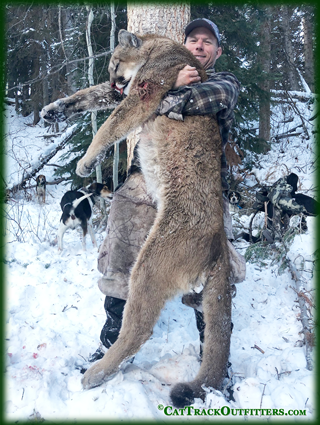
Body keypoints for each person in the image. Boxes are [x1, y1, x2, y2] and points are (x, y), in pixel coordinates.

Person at [90, 18, 244, 361]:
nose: (199, 45)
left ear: (217, 52)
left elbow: (198, 100)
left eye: (207, 42)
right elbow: (119, 95)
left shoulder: (223, 82)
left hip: (197, 189)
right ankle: (111, 344)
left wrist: (159, 89)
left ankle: (214, 358)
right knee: (121, 256)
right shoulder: (153, 74)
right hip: (144, 180)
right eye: (193, 40)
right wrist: (163, 81)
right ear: (183, 46)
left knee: (212, 268)